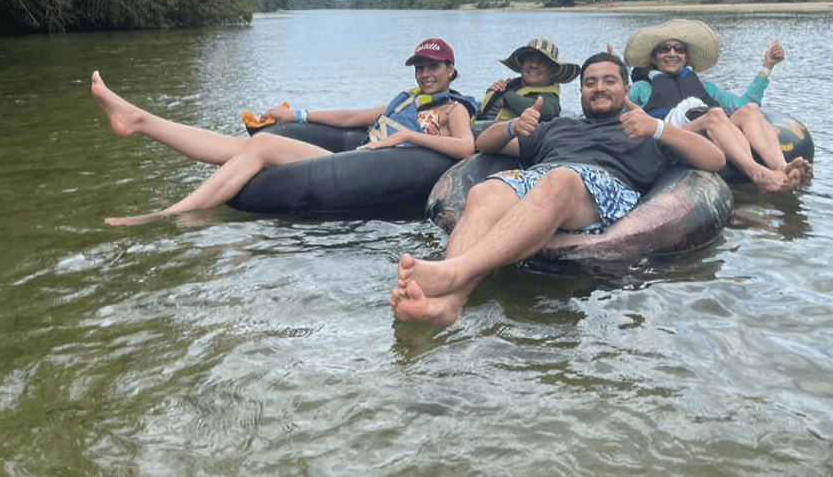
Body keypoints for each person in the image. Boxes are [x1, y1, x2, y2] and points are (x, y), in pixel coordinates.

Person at [389, 52, 726, 324]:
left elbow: (715, 159)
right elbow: (484, 143)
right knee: (484, 192)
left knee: (560, 178)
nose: (599, 88)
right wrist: (511, 126)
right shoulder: (557, 127)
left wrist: (657, 128)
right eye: (590, 83)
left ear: (626, 89)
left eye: (609, 81)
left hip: (602, 187)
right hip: (543, 177)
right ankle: (450, 304)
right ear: (580, 92)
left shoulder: (645, 129)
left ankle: (453, 273)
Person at [92, 38, 477, 225]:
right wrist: (301, 113)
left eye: (433, 67)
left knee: (259, 147)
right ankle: (140, 121)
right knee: (236, 146)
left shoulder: (452, 109)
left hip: (364, 168)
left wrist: (406, 138)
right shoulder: (405, 99)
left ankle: (167, 215)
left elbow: (464, 147)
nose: (425, 74)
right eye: (419, 67)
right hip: (352, 159)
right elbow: (352, 117)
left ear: (450, 70)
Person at [623, 19, 812, 192]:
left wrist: (767, 66)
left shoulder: (705, 87)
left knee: (750, 110)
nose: (672, 53)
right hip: (675, 136)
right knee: (715, 115)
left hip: (710, 129)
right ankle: (757, 173)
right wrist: (615, 79)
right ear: (654, 58)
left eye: (679, 48)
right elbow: (620, 108)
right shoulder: (642, 88)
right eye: (664, 49)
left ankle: (782, 167)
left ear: (687, 57)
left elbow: (744, 104)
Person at [477, 38, 580, 122]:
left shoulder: (550, 98)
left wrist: (508, 98)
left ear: (553, 70)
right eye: (529, 59)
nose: (534, 65)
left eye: (542, 61)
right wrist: (493, 93)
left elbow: (547, 111)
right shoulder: (510, 85)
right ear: (521, 64)